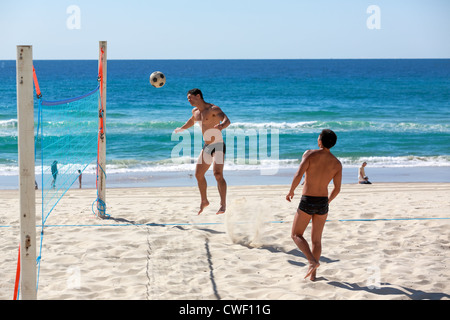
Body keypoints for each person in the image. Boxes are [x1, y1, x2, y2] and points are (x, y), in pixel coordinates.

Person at [286, 129, 342, 281]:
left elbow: (298, 174)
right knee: (316, 240)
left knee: (296, 235)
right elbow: (337, 189)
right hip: (323, 203)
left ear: (320, 141)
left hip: (308, 200)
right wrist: (327, 201)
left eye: (318, 138)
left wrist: (291, 191)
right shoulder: (337, 163)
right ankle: (313, 275)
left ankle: (312, 261)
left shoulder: (310, 154)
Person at [175, 88, 231, 215]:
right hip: (207, 146)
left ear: (198, 96)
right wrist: (182, 128)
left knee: (217, 174)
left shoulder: (213, 109)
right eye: (187, 98)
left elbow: (227, 120)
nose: (188, 100)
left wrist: (222, 125)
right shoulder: (195, 111)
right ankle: (204, 201)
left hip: (218, 145)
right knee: (198, 174)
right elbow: (192, 120)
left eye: (190, 97)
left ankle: (223, 205)